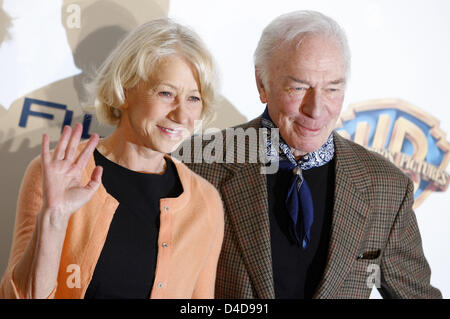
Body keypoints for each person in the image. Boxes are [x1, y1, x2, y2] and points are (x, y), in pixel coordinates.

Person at [184, 10, 442, 298]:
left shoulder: (387, 188)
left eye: (332, 89)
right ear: (262, 83)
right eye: (299, 87)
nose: (316, 109)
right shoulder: (197, 163)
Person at [0, 18, 223, 299]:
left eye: (194, 98)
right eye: (166, 93)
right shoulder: (61, 172)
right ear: (126, 88)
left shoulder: (205, 202)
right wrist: (54, 218)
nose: (181, 116)